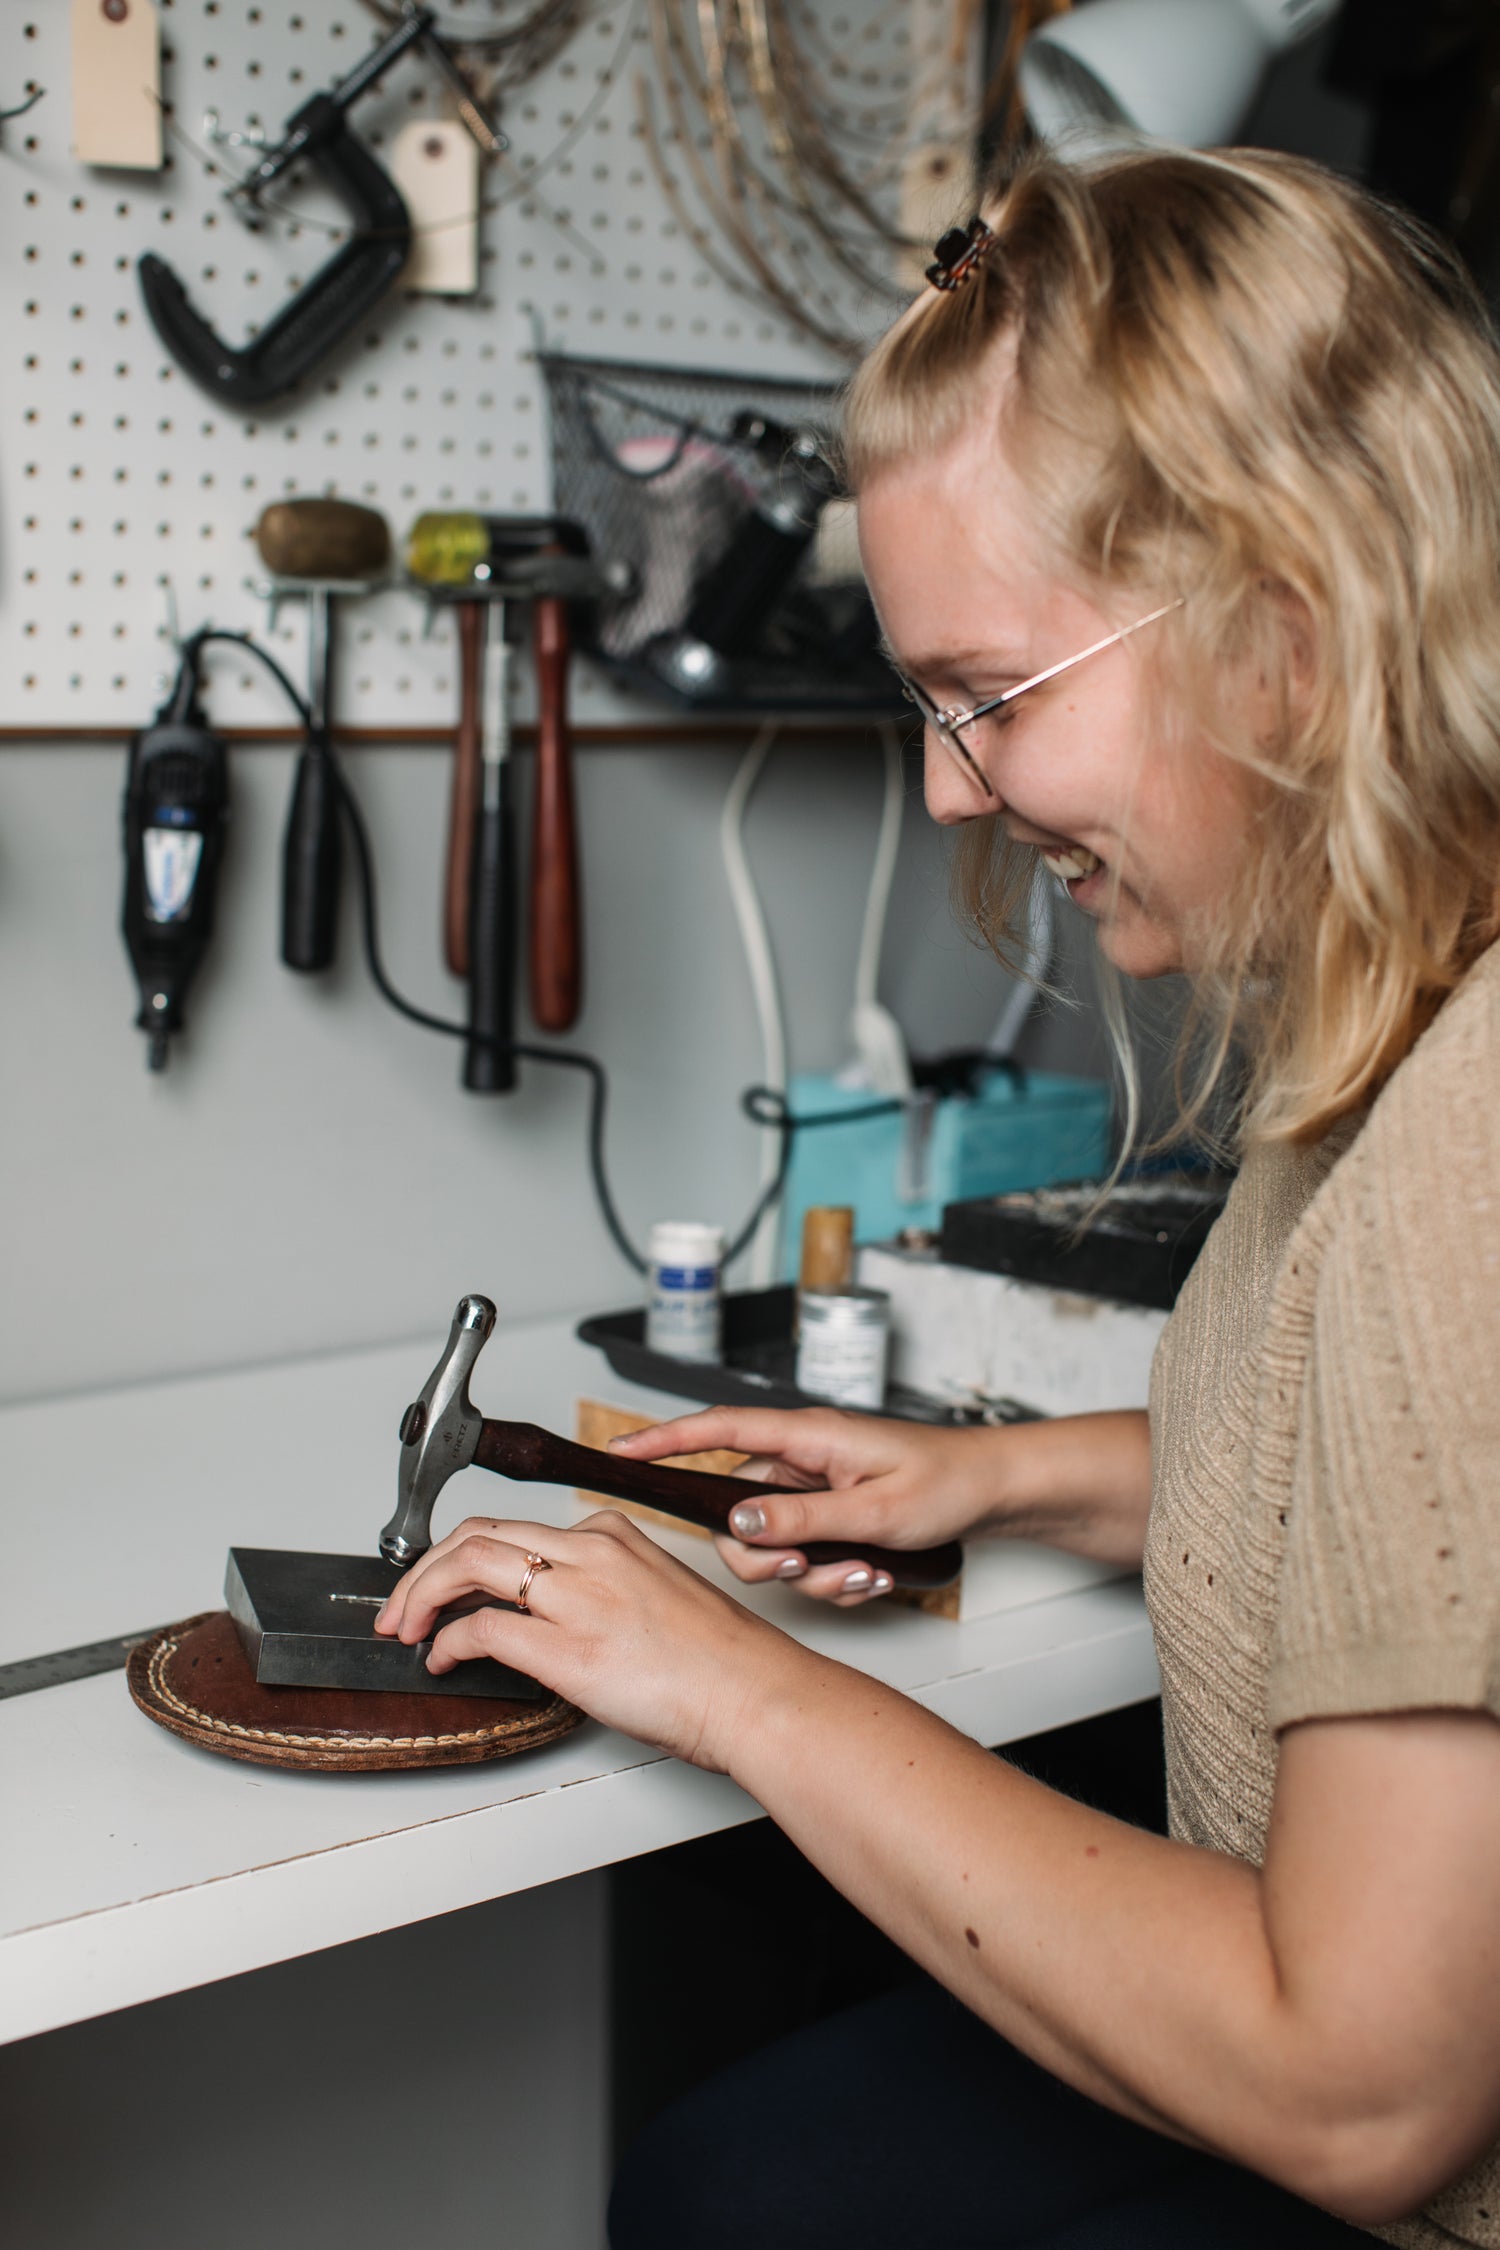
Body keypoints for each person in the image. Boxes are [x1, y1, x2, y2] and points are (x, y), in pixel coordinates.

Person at [375, 148, 1500, 2249]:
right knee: (733, 2176)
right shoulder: (1401, 1013)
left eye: (991, 696)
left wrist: (739, 1686)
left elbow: (1361, 2093)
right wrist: (995, 1479)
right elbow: (1398, 1494)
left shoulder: (1473, 1142)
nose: (943, 786)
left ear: (1288, 630)